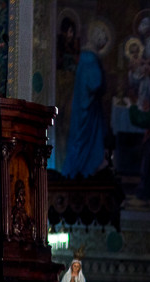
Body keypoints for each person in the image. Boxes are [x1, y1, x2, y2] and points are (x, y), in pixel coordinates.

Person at [62, 22, 109, 178]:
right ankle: (80, 171)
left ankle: (81, 171)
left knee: (81, 140)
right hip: (87, 110)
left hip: (86, 106)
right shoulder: (90, 58)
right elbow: (95, 83)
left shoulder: (86, 56)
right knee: (84, 142)